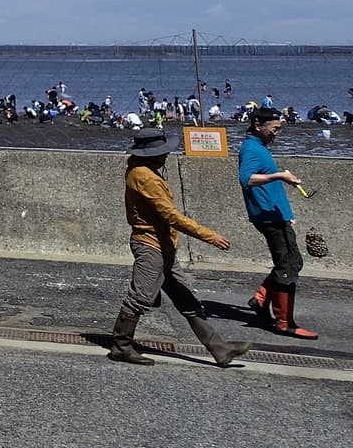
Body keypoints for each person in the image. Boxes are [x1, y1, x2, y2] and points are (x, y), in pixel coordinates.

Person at [107, 128, 251, 367]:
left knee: (186, 300)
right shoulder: (145, 177)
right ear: (149, 154)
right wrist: (209, 236)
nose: (166, 156)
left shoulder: (144, 170)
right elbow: (171, 216)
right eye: (161, 152)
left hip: (164, 246)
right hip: (150, 245)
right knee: (139, 298)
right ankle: (121, 347)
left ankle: (220, 349)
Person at [240, 107, 317, 339]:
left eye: (279, 130)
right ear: (257, 125)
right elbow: (247, 179)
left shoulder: (260, 147)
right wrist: (279, 176)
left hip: (277, 215)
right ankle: (284, 322)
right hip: (267, 217)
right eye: (274, 129)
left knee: (293, 262)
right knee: (287, 267)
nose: (276, 134)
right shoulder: (251, 148)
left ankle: (261, 299)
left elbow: (267, 183)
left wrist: (286, 184)